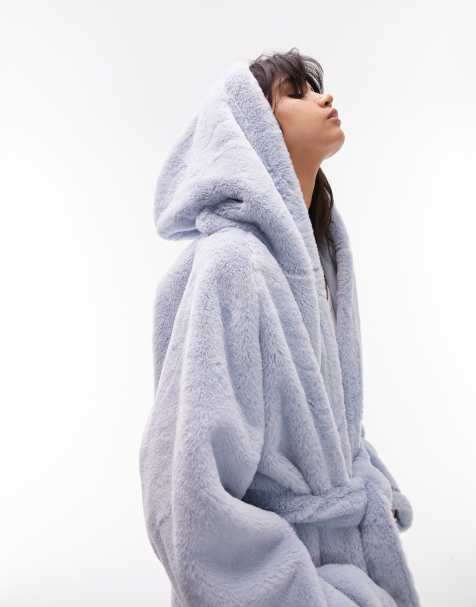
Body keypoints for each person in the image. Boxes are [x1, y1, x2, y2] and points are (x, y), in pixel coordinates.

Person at [139, 48, 421, 607]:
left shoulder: (321, 256)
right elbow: (184, 488)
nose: (324, 98)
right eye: (296, 92)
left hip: (343, 565)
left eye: (315, 88)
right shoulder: (233, 264)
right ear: (253, 128)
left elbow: (330, 428)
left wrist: (371, 487)